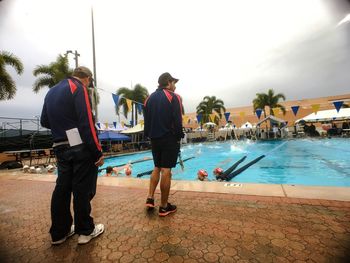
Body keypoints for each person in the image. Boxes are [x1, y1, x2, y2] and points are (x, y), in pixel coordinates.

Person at [40, 66, 105, 245]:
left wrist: (62, 126)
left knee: (62, 188)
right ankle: (85, 231)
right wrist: (97, 151)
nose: (90, 85)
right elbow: (87, 122)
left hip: (60, 145)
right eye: (90, 82)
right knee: (82, 188)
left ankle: (59, 233)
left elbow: (44, 120)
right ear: (86, 78)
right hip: (80, 147)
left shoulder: (51, 92)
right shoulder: (78, 87)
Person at [143, 72, 184, 217]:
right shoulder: (174, 97)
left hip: (154, 139)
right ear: (168, 82)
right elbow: (178, 121)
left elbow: (146, 122)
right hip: (169, 138)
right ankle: (164, 206)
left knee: (157, 167)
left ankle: (150, 197)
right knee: (166, 170)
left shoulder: (149, 99)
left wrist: (148, 136)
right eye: (174, 83)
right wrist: (179, 136)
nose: (175, 86)